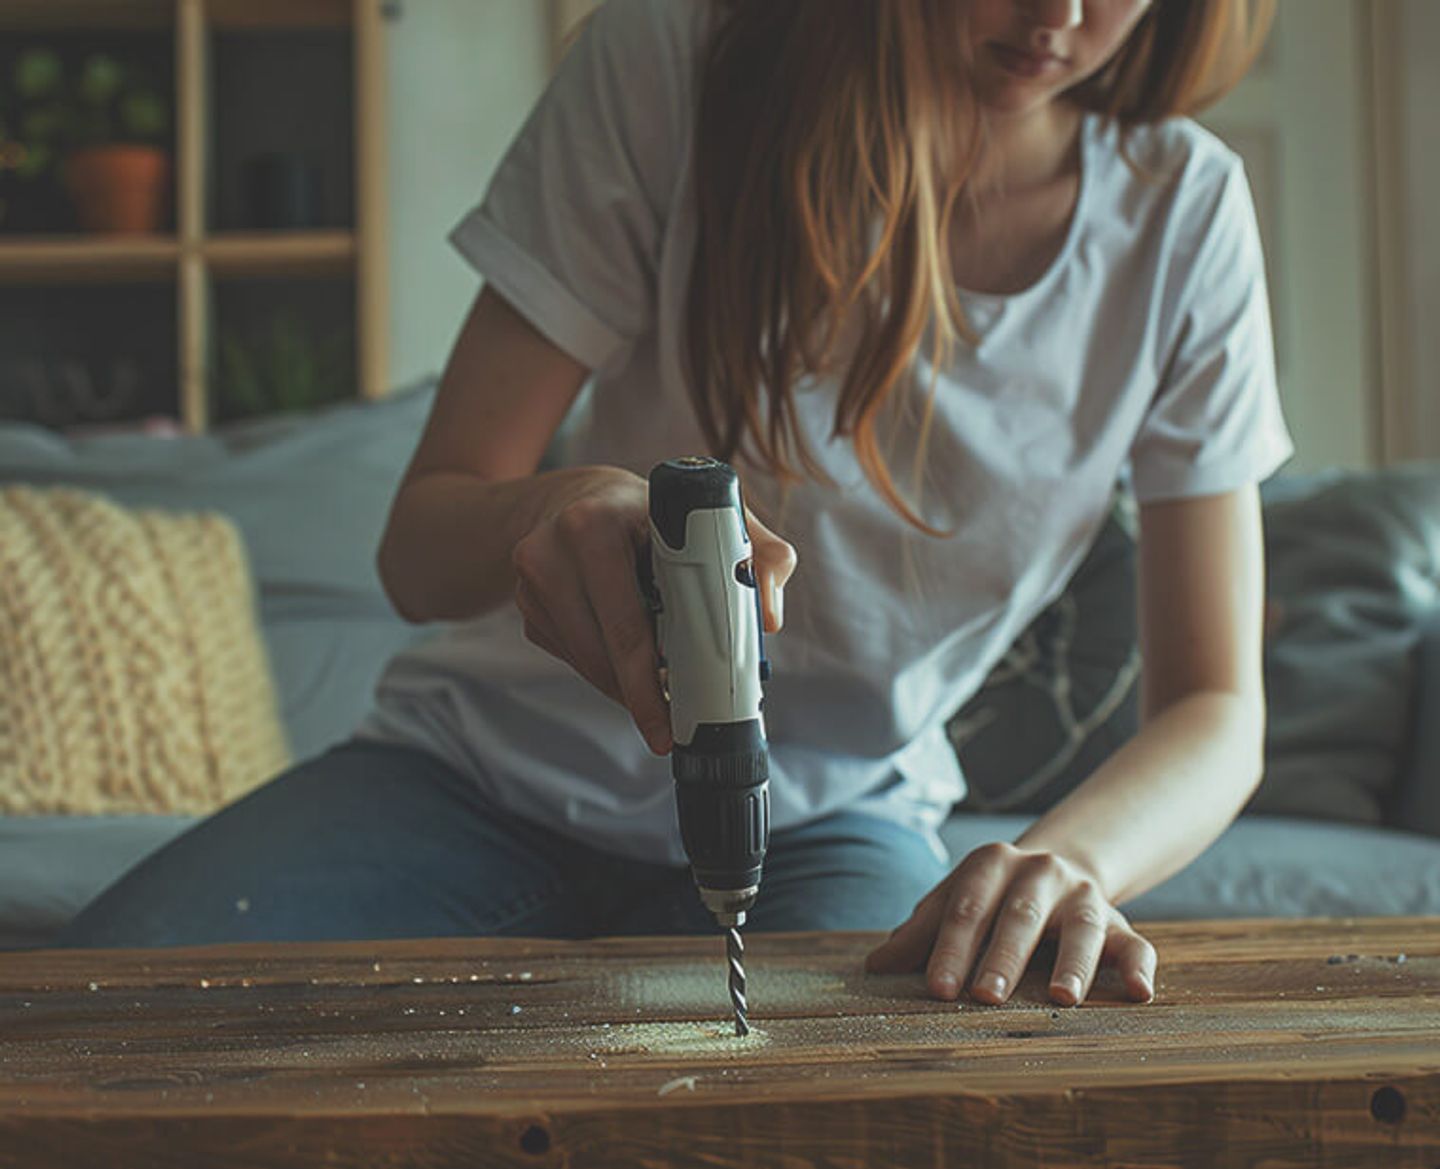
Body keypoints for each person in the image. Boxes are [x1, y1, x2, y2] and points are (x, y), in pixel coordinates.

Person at [60, 0, 1290, 1011]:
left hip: (832, 821)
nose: (1060, 17)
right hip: (477, 779)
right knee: (81, 1024)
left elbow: (1217, 705)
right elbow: (419, 548)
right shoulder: (669, 67)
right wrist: (563, 504)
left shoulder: (1184, 221)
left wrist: (1068, 860)